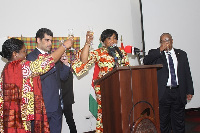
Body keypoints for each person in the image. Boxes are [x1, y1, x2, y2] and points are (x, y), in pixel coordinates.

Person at [0, 38, 73, 133]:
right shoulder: (22, 67)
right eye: (23, 51)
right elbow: (47, 62)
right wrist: (64, 46)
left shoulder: (6, 69)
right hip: (19, 117)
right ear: (15, 54)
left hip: (9, 114)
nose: (25, 54)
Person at [72, 29, 130, 133]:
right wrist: (87, 43)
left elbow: (127, 68)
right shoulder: (99, 52)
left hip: (120, 88)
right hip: (104, 89)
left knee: (120, 113)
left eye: (114, 38)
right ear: (103, 41)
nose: (113, 41)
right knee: (106, 114)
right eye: (109, 38)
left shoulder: (121, 52)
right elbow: (84, 60)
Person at [143, 33, 194, 133]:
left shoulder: (182, 54)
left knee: (179, 121)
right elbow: (146, 61)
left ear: (172, 41)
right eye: (163, 41)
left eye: (167, 40)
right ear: (160, 42)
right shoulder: (155, 54)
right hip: (164, 92)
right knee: (163, 121)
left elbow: (187, 73)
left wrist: (189, 91)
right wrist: (160, 50)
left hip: (178, 91)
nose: (166, 43)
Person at [26, 28, 71, 133]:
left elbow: (63, 77)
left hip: (56, 106)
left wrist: (65, 64)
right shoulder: (31, 57)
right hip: (41, 107)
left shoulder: (53, 56)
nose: (50, 43)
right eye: (47, 40)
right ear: (38, 40)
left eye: (51, 40)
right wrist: (53, 60)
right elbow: (38, 76)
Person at [60, 53, 77, 133]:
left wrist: (66, 64)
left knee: (70, 121)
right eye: (61, 56)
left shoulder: (68, 67)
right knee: (57, 123)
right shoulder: (56, 67)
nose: (63, 57)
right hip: (57, 100)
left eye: (64, 55)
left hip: (66, 100)